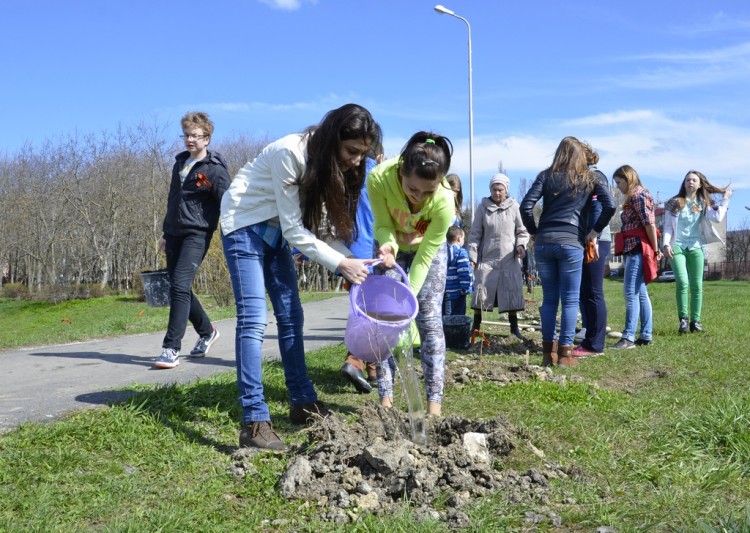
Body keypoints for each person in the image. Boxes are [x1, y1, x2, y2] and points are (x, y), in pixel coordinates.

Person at [220, 103, 382, 450]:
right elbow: (296, 231)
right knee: (252, 318)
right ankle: (254, 420)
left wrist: (358, 261)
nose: (356, 160)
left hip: (276, 231)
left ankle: (303, 402)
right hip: (244, 225)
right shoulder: (289, 154)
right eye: (352, 151)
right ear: (333, 138)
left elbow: (320, 230)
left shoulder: (329, 167)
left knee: (292, 316)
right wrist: (340, 265)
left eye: (362, 154)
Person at [368, 131, 454, 417]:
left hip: (425, 255)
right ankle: (387, 402)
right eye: (412, 189)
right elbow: (382, 223)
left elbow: (427, 254)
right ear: (401, 170)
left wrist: (409, 298)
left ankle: (434, 407)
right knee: (387, 321)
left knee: (429, 321)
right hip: (390, 248)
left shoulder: (445, 202)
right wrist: (388, 247)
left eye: (427, 192)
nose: (418, 199)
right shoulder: (379, 178)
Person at [520, 137, 615, 366]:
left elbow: (525, 206)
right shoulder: (588, 177)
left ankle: (547, 353)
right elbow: (610, 204)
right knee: (570, 300)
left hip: (544, 242)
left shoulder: (545, 175)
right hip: (571, 242)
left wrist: (534, 231)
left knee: (550, 299)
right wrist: (594, 232)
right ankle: (565, 355)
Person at [154, 112, 231, 370]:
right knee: (179, 286)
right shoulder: (179, 164)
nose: (190, 140)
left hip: (197, 234)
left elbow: (228, 204)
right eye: (186, 135)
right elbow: (172, 200)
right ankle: (207, 331)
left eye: (195, 136)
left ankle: (170, 348)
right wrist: (166, 233)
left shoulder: (214, 170)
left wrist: (232, 233)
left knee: (179, 285)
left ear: (207, 138)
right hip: (174, 233)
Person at [662, 170, 732, 334]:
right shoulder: (675, 202)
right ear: (684, 183)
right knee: (682, 282)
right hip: (676, 245)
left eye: (694, 180)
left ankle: (696, 322)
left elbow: (718, 218)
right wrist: (665, 244)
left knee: (697, 285)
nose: (690, 182)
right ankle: (684, 320)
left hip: (695, 246)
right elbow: (667, 226)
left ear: (700, 184)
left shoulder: (703, 203)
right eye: (688, 180)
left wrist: (726, 199)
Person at [339, 142, 385, 394]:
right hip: (373, 252)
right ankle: (355, 360)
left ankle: (373, 369)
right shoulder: (376, 174)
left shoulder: (346, 173)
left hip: (350, 253)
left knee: (363, 309)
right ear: (378, 154)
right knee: (375, 313)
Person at [467, 172, 530, 339]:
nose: (497, 193)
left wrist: (521, 245)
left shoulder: (514, 207)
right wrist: (473, 257)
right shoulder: (483, 208)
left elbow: (522, 231)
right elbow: (475, 235)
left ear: (506, 190)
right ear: (490, 189)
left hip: (509, 259)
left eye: (500, 190)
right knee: (481, 293)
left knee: (510, 293)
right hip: (487, 259)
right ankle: (476, 326)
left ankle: (514, 328)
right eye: (494, 189)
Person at [611, 165, 661, 349]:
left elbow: (649, 224)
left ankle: (628, 337)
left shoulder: (639, 195)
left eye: (619, 182)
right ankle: (646, 334)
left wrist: (655, 250)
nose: (617, 186)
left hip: (638, 249)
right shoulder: (634, 196)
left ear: (628, 178)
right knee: (640, 293)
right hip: (633, 247)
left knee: (630, 292)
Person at [572, 144, 613, 357]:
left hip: (595, 240)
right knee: (585, 291)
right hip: (587, 237)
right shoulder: (584, 177)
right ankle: (589, 339)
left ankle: (595, 345)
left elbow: (603, 206)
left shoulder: (595, 176)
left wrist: (593, 232)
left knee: (593, 291)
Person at [443, 226, 473, 316]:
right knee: (457, 317)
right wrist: (465, 288)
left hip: (443, 292)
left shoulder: (441, 251)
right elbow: (464, 272)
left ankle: (445, 329)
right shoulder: (461, 252)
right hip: (458, 293)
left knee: (444, 317)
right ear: (459, 239)